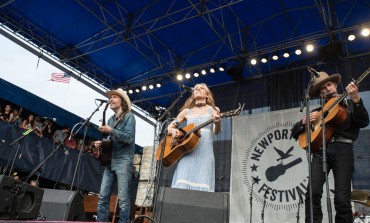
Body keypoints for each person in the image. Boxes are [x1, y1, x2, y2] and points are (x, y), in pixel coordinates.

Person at [291, 71, 369, 223]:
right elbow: (295, 134)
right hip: (320, 152)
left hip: (343, 150)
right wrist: (303, 122)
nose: (327, 89)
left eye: (328, 85)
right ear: (320, 94)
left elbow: (363, 122)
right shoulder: (316, 112)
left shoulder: (349, 105)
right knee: (312, 194)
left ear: (335, 85)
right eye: (323, 88)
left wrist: (357, 100)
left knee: (342, 198)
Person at [168, 83, 221, 192]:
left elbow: (216, 131)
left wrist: (218, 122)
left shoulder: (214, 110)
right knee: (182, 185)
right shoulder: (186, 111)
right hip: (187, 151)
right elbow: (169, 127)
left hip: (205, 152)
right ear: (192, 95)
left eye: (201, 88)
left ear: (207, 95)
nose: (198, 89)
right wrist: (173, 131)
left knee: (202, 189)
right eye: (196, 88)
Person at [94, 88, 136, 223]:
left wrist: (111, 130)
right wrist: (102, 143)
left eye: (114, 97)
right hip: (110, 161)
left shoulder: (129, 116)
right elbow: (111, 141)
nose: (110, 99)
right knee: (102, 197)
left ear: (122, 101)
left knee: (123, 199)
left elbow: (129, 138)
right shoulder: (111, 119)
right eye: (110, 97)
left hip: (123, 161)